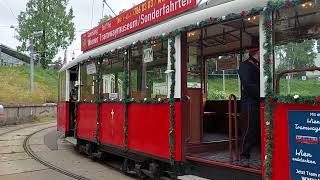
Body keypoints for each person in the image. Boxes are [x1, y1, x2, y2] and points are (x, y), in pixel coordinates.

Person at [238, 47, 261, 162]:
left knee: (258, 128)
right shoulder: (245, 65)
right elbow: (248, 84)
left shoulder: (260, 65)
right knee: (248, 129)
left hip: (258, 101)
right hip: (250, 101)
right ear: (257, 52)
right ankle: (244, 155)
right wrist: (261, 96)